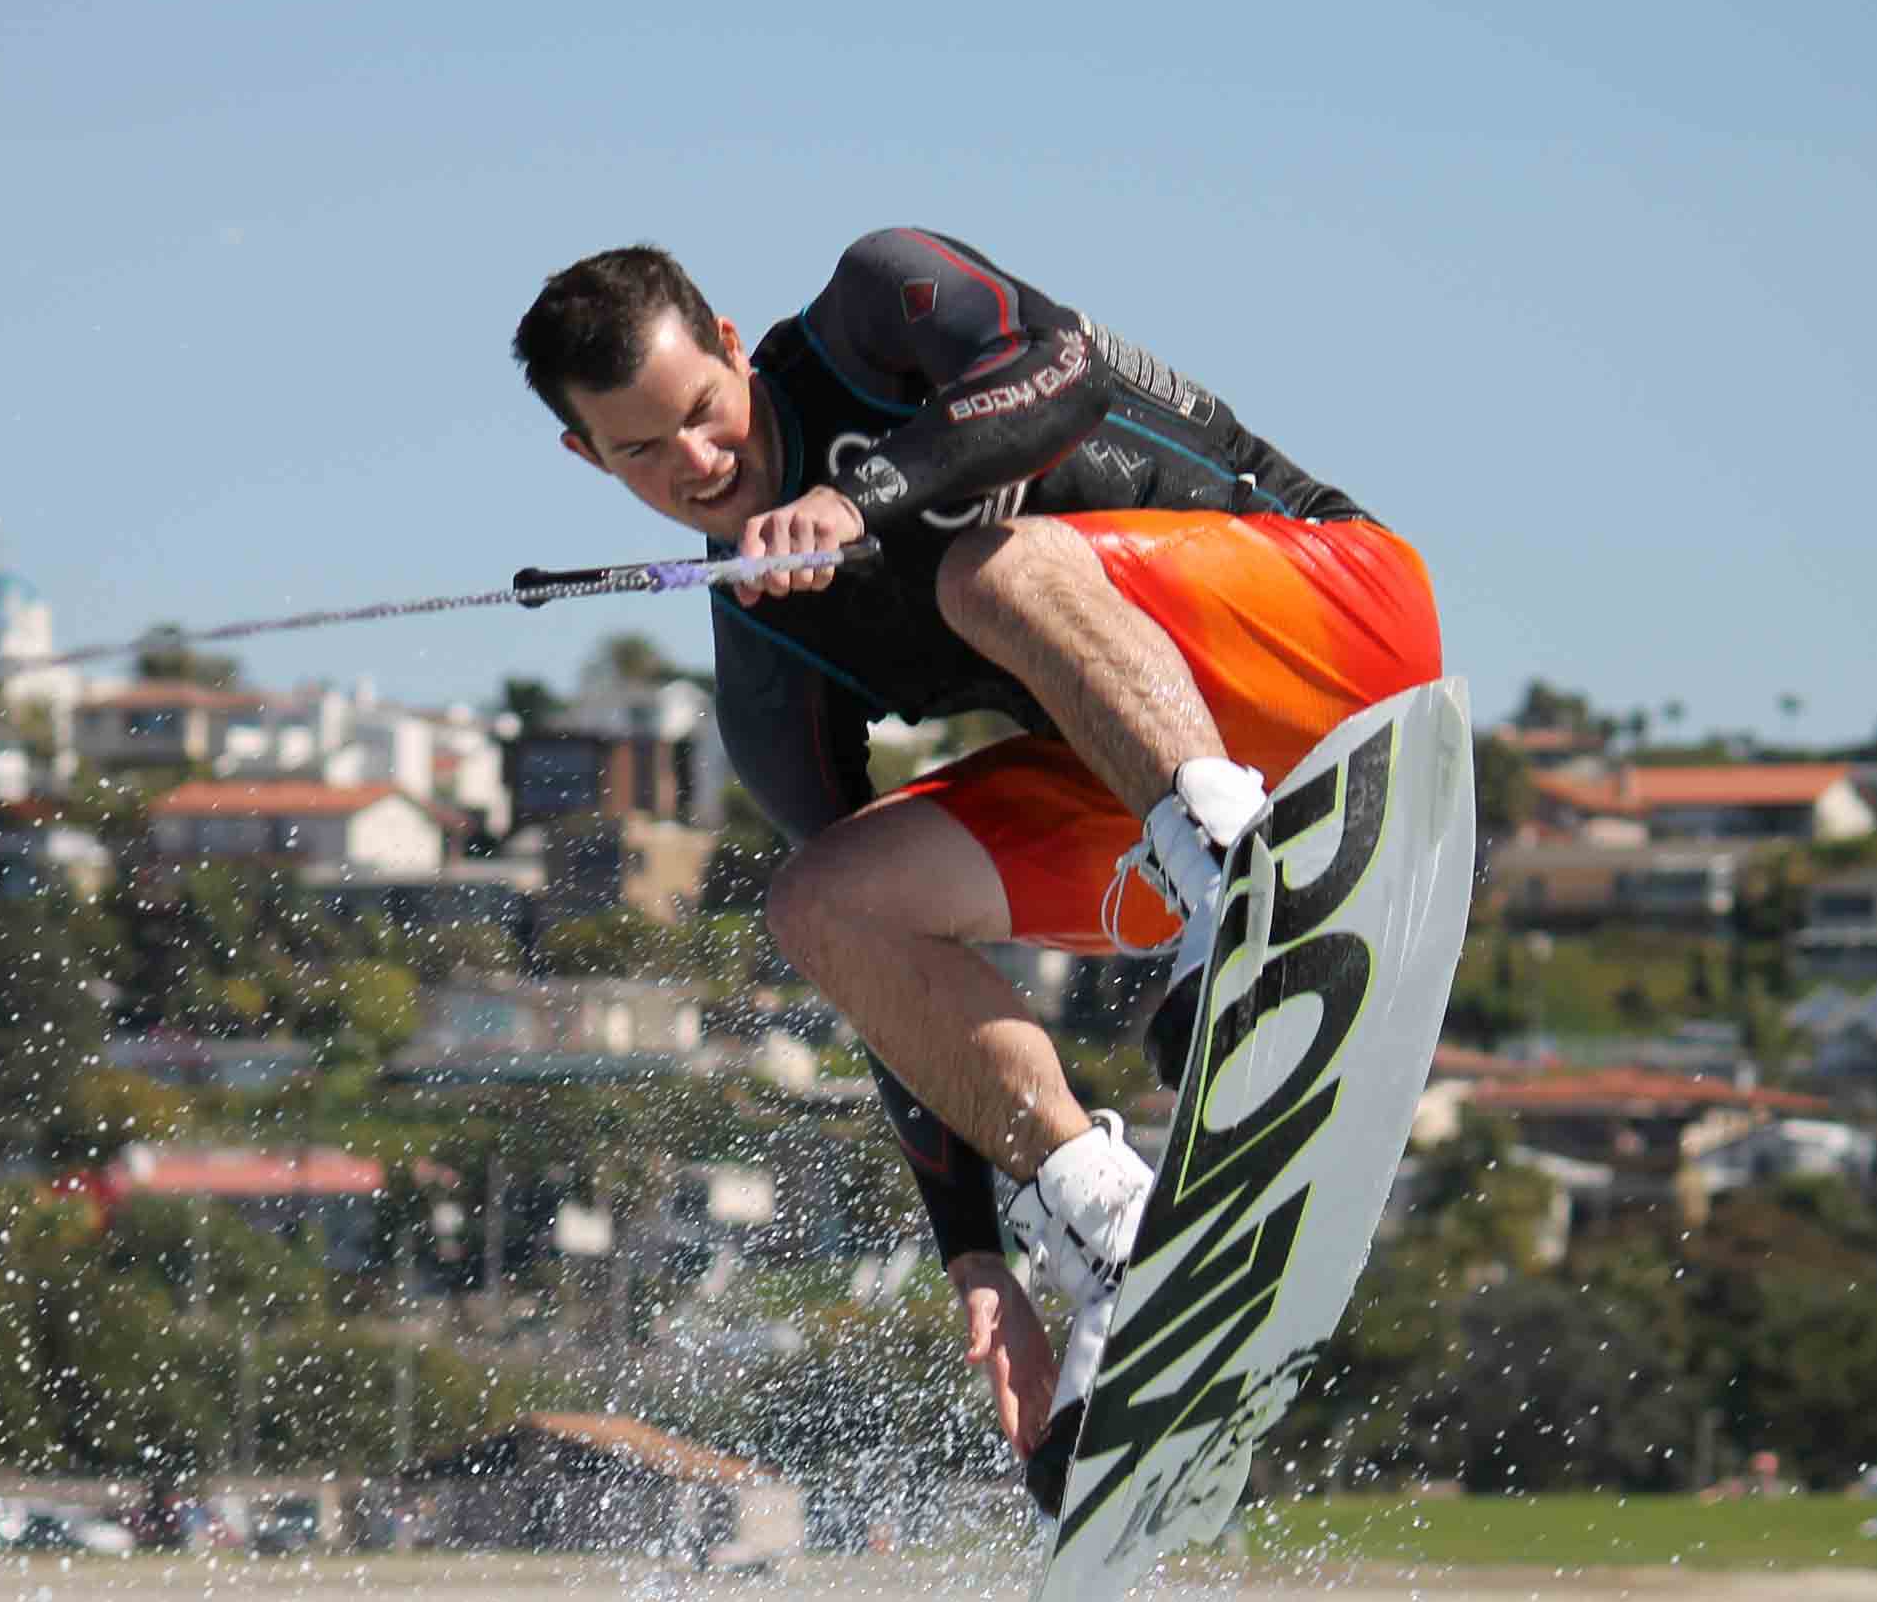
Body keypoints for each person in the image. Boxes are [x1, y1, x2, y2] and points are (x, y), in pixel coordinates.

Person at [512, 230, 1441, 1507]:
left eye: (702, 414)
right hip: (1145, 792)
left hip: (1340, 627)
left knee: (988, 566)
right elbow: (879, 989)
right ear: (586, 457)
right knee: (821, 901)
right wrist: (978, 1259)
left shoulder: (874, 310)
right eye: (640, 452)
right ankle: (1111, 1227)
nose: (696, 465)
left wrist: (858, 498)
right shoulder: (771, 664)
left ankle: (1240, 888)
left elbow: (1054, 370)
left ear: (733, 347)